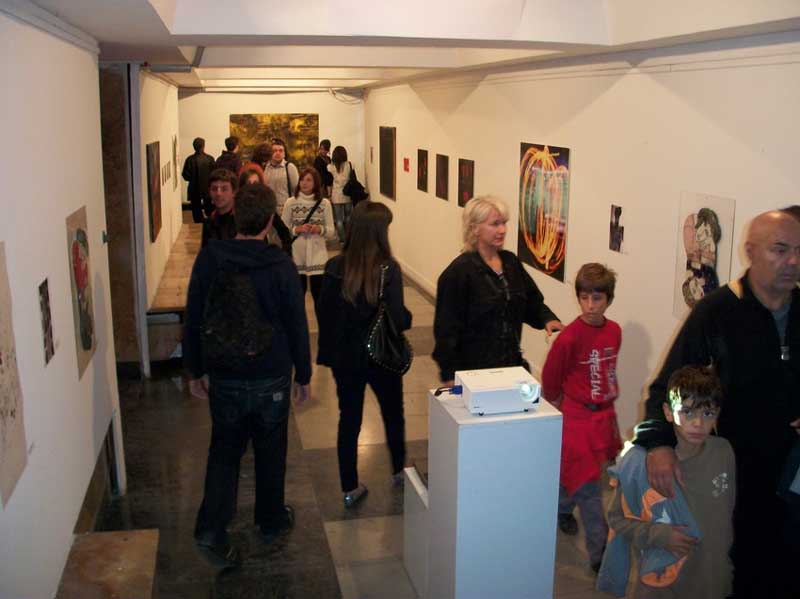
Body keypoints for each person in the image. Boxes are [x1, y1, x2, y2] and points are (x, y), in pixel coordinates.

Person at [634, 210, 800, 598]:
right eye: (780, 249)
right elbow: (667, 386)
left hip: (792, 478)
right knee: (736, 571)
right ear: (750, 251)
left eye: (799, 250)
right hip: (733, 474)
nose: (793, 261)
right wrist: (658, 444)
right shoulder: (718, 311)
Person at [184, 183, 312, 567]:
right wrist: (303, 374)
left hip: (225, 374)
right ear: (270, 221)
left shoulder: (211, 258)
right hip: (271, 375)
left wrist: (195, 369)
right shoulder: (280, 265)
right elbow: (296, 323)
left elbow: (194, 316)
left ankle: (212, 529)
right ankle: (270, 519)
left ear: (236, 216)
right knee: (272, 450)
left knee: (224, 453)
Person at [599, 366, 735, 598]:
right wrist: (659, 535)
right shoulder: (641, 464)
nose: (697, 423)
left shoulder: (723, 452)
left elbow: (725, 518)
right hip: (661, 584)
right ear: (668, 412)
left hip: (711, 579)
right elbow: (617, 519)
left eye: (708, 413)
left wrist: (724, 566)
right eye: (687, 412)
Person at [317, 201, 411, 508]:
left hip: (346, 359)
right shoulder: (388, 269)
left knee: (349, 420)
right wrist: (407, 318)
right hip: (381, 357)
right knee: (393, 413)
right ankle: (398, 470)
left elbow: (325, 314)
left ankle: (349, 487)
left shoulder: (334, 267)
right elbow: (397, 318)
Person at [541, 262, 622, 572]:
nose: (590, 305)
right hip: (576, 417)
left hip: (604, 416)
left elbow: (606, 371)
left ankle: (561, 507)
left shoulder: (614, 331)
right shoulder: (569, 338)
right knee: (589, 488)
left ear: (608, 299)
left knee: (580, 475)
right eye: (584, 298)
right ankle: (600, 554)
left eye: (597, 298)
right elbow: (551, 379)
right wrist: (560, 409)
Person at [433, 196, 563, 385]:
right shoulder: (458, 273)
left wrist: (547, 319)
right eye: (495, 224)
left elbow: (531, 301)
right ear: (474, 228)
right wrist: (450, 374)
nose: (502, 230)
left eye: (504, 223)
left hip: (510, 367)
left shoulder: (511, 263)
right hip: (473, 373)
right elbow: (446, 330)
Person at [282, 168, 335, 323]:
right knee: (296, 300)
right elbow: (283, 230)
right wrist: (297, 229)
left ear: (316, 183)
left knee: (320, 300)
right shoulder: (291, 202)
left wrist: (320, 229)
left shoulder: (324, 203)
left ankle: (324, 330)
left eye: (309, 180)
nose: (304, 183)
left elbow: (331, 231)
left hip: (318, 257)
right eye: (302, 179)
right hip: (296, 257)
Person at [238, 162, 293, 254]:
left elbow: (283, 231)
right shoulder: (236, 207)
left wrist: (285, 252)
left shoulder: (266, 206)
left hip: (261, 253)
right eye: (248, 183)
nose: (252, 187)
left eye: (255, 183)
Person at [181, 137, 216, 223]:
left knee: (196, 209)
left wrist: (193, 178)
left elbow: (185, 175)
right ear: (203, 146)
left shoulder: (190, 160)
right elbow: (214, 173)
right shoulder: (210, 159)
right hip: (207, 187)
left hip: (194, 187)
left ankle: (199, 222)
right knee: (209, 206)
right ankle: (210, 221)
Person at [201, 169, 237, 248]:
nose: (218, 193)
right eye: (214, 189)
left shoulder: (242, 223)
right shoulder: (208, 223)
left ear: (234, 192)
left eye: (224, 189)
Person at [263, 138, 299, 218]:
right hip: (268, 211)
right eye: (275, 151)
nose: (278, 153)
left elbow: (296, 190)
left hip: (285, 210)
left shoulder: (290, 167)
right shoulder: (265, 168)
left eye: (281, 151)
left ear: (284, 153)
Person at [328, 145, 354, 243]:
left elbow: (329, 183)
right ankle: (349, 237)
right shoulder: (350, 165)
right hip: (348, 194)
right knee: (348, 217)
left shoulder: (330, 167)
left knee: (338, 219)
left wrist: (329, 195)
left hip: (336, 194)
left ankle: (342, 239)